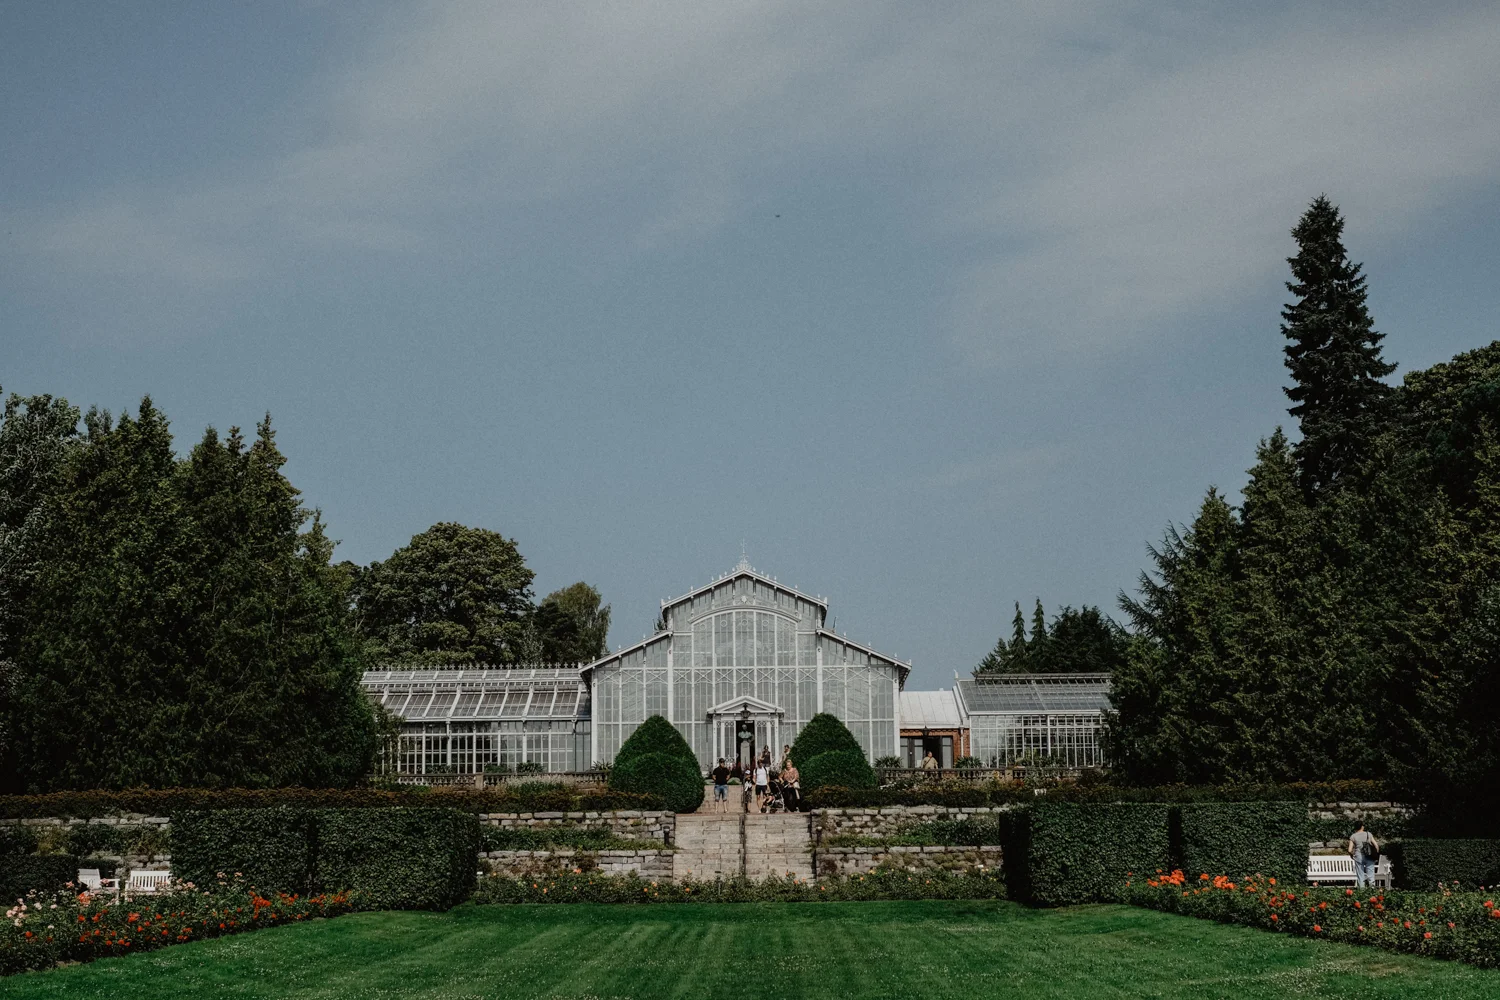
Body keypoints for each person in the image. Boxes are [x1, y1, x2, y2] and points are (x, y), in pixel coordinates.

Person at [1348, 822, 1380, 888]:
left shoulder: (1353, 836)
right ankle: (1372, 889)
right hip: (1369, 856)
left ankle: (1361, 891)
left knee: (1360, 875)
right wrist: (1375, 855)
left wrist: (1352, 856)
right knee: (1371, 875)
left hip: (1358, 856)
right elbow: (1376, 846)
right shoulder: (1368, 834)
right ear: (1362, 827)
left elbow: (1349, 850)